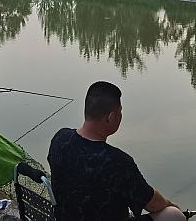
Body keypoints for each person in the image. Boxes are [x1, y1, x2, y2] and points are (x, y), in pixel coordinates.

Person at [48, 81, 185, 221]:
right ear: (111, 117)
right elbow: (152, 203)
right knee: (174, 214)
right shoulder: (118, 162)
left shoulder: (60, 138)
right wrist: (171, 205)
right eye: (120, 111)